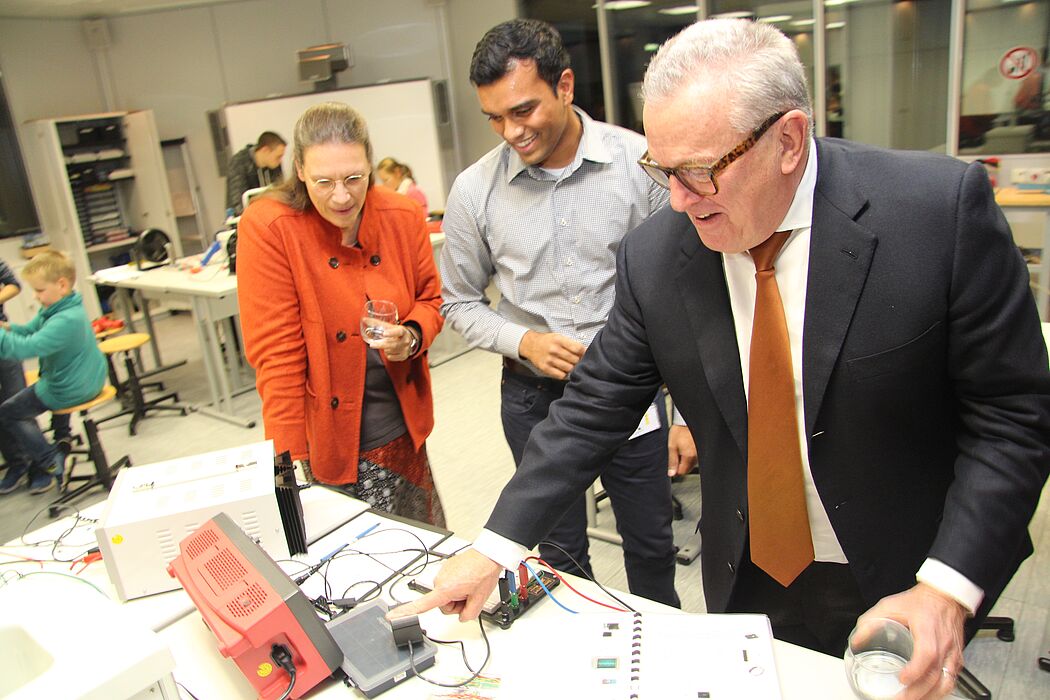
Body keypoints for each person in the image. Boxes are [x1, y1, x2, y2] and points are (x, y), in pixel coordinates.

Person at [395, 18, 1050, 699]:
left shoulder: (936, 214)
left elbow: (1014, 417)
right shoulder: (658, 256)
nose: (676, 200)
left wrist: (946, 588)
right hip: (748, 567)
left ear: (788, 140)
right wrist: (494, 548)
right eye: (663, 169)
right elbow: (592, 410)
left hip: (905, 571)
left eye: (699, 171)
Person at [438, 18, 694, 608]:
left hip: (630, 391)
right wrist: (523, 341)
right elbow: (458, 300)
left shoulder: (641, 165)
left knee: (651, 547)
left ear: (566, 85)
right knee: (557, 556)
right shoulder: (475, 191)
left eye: (523, 111)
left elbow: (681, 297)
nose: (511, 132)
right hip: (534, 396)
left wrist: (687, 413)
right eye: (495, 119)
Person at [237, 102, 446, 526]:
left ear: (370, 163)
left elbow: (431, 299)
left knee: (419, 555)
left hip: (400, 428)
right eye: (323, 181)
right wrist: (287, 465)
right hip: (326, 439)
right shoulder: (270, 227)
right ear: (297, 169)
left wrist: (411, 334)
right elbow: (277, 358)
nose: (341, 195)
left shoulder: (401, 216)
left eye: (354, 178)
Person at [0, 251, 107, 495]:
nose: (36, 297)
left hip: (72, 387)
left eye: (39, 291)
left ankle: (49, 459)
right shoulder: (61, 306)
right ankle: (61, 438)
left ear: (61, 284)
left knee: (8, 412)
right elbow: (29, 330)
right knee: (34, 390)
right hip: (88, 378)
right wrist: (7, 326)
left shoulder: (64, 320)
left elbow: (25, 348)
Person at [0, 256, 31, 480]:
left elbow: (13, 284)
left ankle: (40, 465)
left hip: (2, 338)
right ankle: (17, 463)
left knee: (17, 401)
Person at [225, 131, 287, 215]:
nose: (280, 161)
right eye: (278, 157)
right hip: (246, 218)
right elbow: (237, 203)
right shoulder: (239, 163)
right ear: (265, 150)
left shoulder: (274, 165)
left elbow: (280, 192)